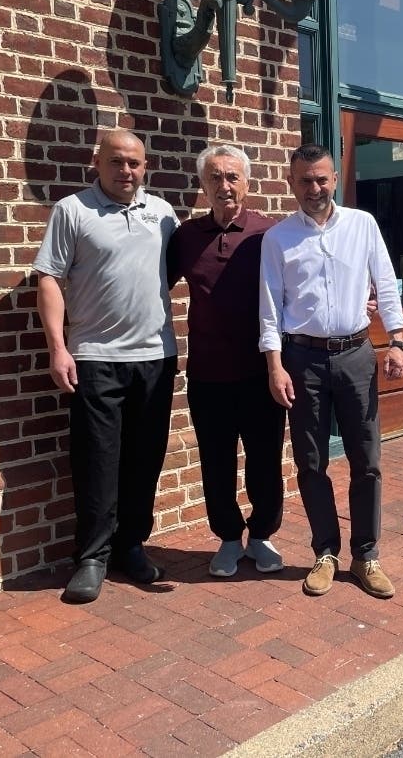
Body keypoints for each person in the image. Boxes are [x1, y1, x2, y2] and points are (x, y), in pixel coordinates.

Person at [34, 129, 179, 603]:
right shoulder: (73, 211)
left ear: (145, 166)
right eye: (117, 162)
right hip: (96, 358)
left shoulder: (162, 214)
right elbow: (50, 279)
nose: (126, 172)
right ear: (97, 162)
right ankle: (92, 557)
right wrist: (58, 347)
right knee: (97, 462)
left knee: (145, 461)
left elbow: (170, 273)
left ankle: (131, 545)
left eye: (135, 164)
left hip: (156, 358)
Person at [259, 143, 403, 599]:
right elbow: (269, 308)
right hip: (302, 360)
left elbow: (385, 281)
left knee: (367, 461)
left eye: (321, 178)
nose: (314, 187)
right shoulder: (278, 238)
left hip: (357, 355)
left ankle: (366, 555)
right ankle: (325, 551)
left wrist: (397, 340)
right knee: (310, 461)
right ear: (291, 183)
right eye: (304, 180)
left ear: (335, 178)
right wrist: (275, 366)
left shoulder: (362, 225)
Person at [167, 144, 286, 578]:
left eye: (233, 177)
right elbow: (152, 286)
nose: (225, 186)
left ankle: (261, 535)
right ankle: (227, 538)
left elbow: (300, 286)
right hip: (208, 375)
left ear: (247, 183)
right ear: (203, 185)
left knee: (265, 460)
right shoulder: (185, 237)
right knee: (215, 462)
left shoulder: (268, 233)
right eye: (215, 178)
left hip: (260, 374)